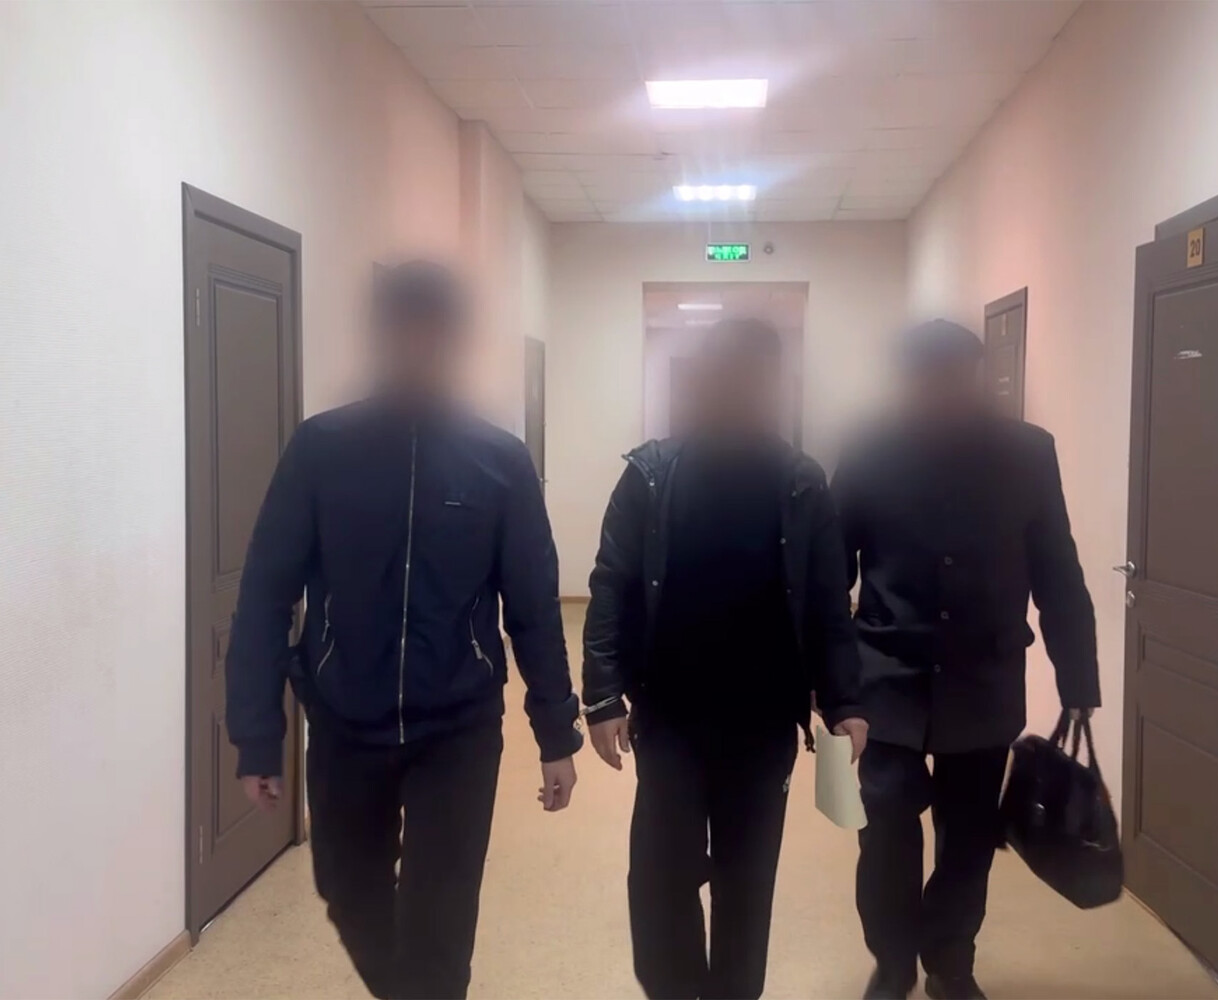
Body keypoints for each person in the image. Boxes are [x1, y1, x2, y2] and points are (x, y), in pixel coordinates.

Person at [225, 260, 582, 1000]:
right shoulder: (322, 449)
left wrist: (556, 733)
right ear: (381, 337)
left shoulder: (499, 461)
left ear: (455, 342)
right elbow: (265, 593)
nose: (418, 347)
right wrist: (258, 732)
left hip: (458, 728)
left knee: (440, 923)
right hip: (345, 721)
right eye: (404, 331)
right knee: (346, 892)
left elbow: (534, 607)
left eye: (434, 333)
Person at [581, 317, 868, 1000]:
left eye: (758, 377)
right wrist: (602, 694)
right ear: (706, 379)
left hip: (763, 722)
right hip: (670, 715)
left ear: (776, 385)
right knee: (662, 879)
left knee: (746, 883)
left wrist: (845, 700)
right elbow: (612, 583)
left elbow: (827, 601)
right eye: (730, 374)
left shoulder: (802, 483)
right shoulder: (651, 474)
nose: (743, 389)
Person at [834, 320, 1101, 1000]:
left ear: (974, 377)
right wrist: (826, 681)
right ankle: (893, 962)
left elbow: (1057, 569)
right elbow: (830, 571)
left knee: (969, 838)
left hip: (984, 679)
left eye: (950, 378)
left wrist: (1079, 678)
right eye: (923, 380)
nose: (937, 393)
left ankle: (950, 964)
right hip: (886, 678)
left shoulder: (1027, 452)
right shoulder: (868, 451)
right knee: (885, 833)